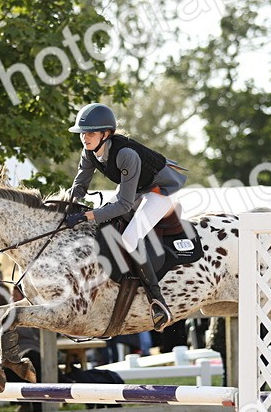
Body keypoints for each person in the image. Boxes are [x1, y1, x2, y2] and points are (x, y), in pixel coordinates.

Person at [63, 103, 187, 330]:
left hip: (158, 190)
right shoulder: (89, 152)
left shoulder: (126, 154)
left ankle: (157, 300)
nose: (85, 138)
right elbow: (79, 186)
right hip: (137, 189)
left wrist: (86, 216)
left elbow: (123, 205)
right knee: (105, 222)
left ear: (106, 134)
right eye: (83, 133)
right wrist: (69, 208)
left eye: (91, 133)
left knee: (129, 238)